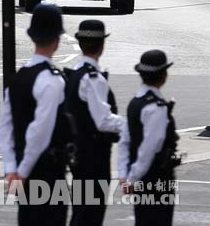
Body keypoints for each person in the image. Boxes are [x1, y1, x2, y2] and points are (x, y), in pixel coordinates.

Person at [0, 2, 69, 226]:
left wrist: (12, 170)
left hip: (20, 169)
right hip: (47, 172)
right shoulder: (53, 80)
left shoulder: (19, 77)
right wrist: (24, 172)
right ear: (57, 40)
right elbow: (40, 132)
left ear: (32, 36)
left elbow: (5, 129)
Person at [65, 20, 125, 226]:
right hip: (94, 156)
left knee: (82, 212)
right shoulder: (93, 78)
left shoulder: (73, 74)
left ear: (80, 44)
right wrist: (132, 125)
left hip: (79, 154)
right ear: (102, 46)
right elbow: (103, 120)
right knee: (90, 215)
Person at [119, 50, 179, 226]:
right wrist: (132, 178)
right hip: (157, 177)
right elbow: (148, 149)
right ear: (164, 76)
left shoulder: (135, 102)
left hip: (141, 178)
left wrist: (125, 175)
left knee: (143, 219)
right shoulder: (157, 107)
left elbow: (125, 141)